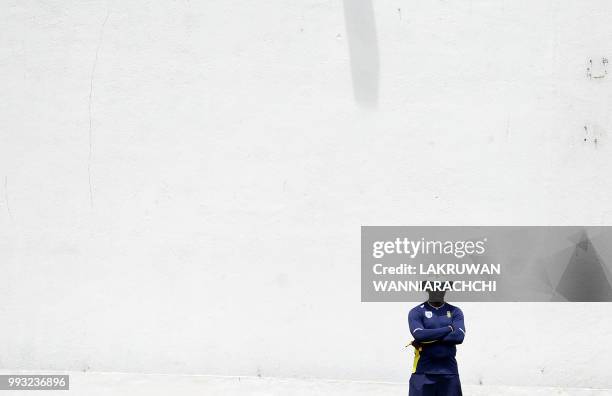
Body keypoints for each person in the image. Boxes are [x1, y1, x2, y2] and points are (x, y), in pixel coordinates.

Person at [407, 286, 465, 396]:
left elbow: (458, 337)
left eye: (442, 288)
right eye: (434, 287)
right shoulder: (416, 311)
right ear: (427, 289)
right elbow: (419, 335)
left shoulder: (455, 311)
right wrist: (449, 328)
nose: (438, 291)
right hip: (422, 372)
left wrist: (428, 335)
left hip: (449, 372)